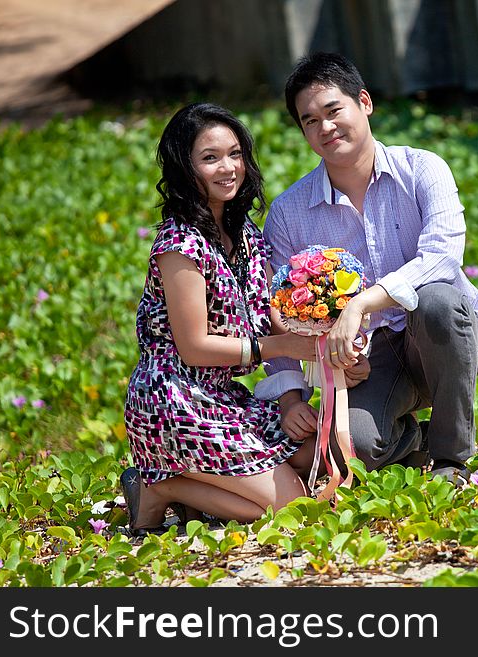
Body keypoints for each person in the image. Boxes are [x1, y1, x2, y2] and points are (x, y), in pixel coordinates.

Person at [122, 102, 363, 533]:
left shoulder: (245, 232)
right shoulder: (179, 244)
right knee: (294, 507)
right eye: (210, 158)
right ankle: (162, 487)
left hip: (224, 397)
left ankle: (196, 485)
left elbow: (272, 311)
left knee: (324, 453)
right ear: (185, 168)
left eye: (234, 154)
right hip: (174, 401)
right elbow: (195, 348)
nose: (228, 167)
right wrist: (283, 346)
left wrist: (327, 332)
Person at [258, 52, 478, 486]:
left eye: (333, 111)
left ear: (364, 102)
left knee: (437, 301)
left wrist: (361, 303)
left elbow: (442, 256)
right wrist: (293, 397)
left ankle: (451, 459)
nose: (325, 127)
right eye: (309, 121)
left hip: (441, 340)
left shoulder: (422, 168)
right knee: (354, 448)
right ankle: (416, 441)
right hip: (367, 360)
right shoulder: (290, 213)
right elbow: (278, 311)